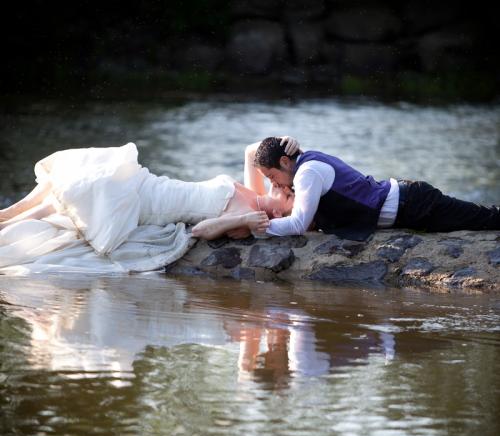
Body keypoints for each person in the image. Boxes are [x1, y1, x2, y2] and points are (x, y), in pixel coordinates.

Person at [0, 139, 298, 247]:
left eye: (288, 195)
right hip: (151, 183)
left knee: (79, 193)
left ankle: (8, 222)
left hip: (148, 203)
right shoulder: (255, 191)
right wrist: (287, 143)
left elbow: (200, 230)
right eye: (286, 185)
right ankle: (8, 215)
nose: (283, 185)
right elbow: (251, 151)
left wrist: (243, 221)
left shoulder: (248, 214)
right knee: (84, 174)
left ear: (277, 213)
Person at [248, 136, 500, 239]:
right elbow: (253, 152)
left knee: (486, 218)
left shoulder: (307, 172)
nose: (273, 184)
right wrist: (286, 138)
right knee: (483, 217)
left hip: (414, 203)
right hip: (407, 203)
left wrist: (254, 227)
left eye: (271, 176)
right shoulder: (303, 164)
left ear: (284, 161)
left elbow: (297, 225)